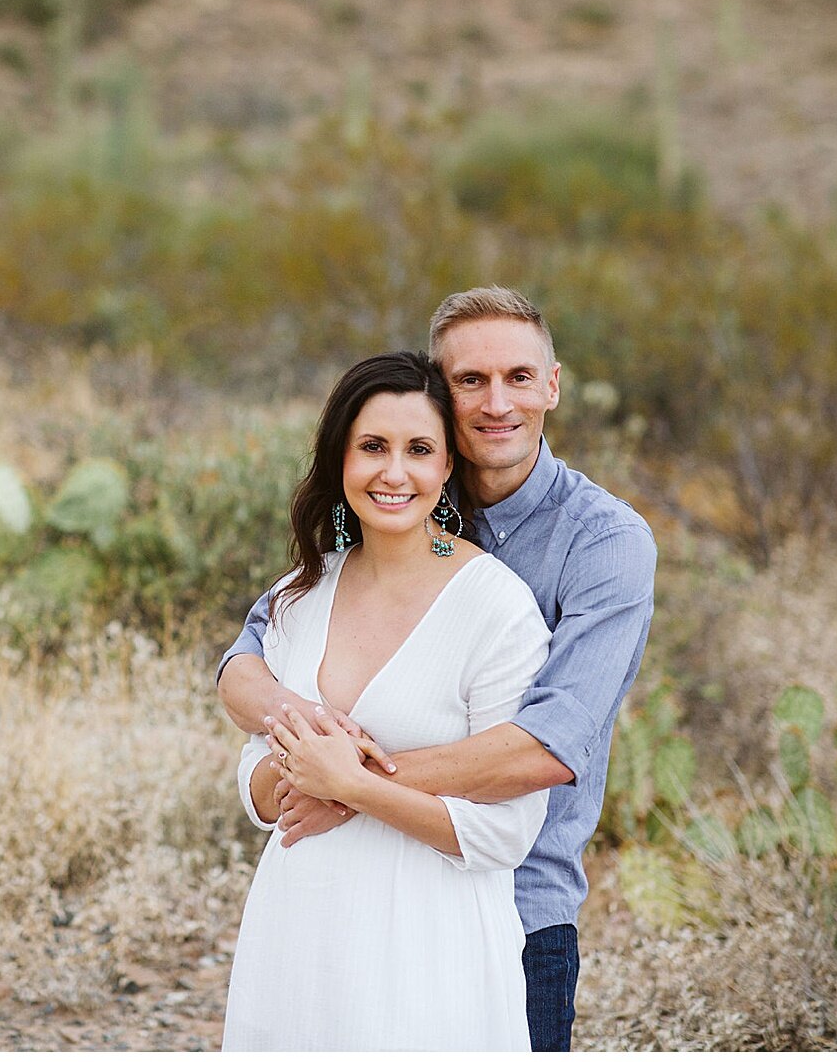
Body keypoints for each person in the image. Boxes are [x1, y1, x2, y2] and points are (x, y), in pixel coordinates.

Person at [219, 286, 657, 1051]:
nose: (497, 402)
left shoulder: (602, 544)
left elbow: (544, 750)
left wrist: (348, 782)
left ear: (552, 384)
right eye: (470, 381)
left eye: (519, 376)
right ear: (442, 397)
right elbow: (249, 655)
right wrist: (296, 734)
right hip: (330, 913)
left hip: (511, 909)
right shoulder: (399, 499)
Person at [221, 351, 551, 1051]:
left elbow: (505, 831)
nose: (393, 472)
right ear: (339, 457)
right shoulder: (300, 592)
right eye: (372, 446)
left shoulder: (496, 608)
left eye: (418, 449)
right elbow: (253, 775)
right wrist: (296, 770)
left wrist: (352, 784)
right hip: (297, 935)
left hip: (426, 946)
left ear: (446, 468)